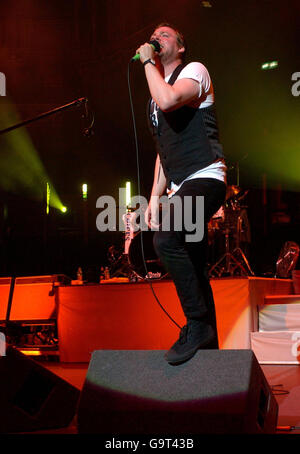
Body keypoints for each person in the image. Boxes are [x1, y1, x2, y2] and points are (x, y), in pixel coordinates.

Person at [136, 23, 227, 365]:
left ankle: (197, 324)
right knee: (196, 267)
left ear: (181, 46)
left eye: (165, 35)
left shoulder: (194, 71)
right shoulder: (153, 99)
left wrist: (147, 63)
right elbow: (163, 151)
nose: (157, 38)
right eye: (154, 35)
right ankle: (212, 359)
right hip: (178, 185)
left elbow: (170, 98)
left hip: (205, 176)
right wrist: (155, 197)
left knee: (166, 240)